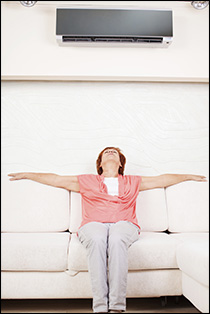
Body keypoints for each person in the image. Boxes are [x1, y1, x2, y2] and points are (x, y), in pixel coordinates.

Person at [8, 147, 207, 313]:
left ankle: (117, 307)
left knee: (117, 238)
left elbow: (162, 179)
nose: (111, 152)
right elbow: (55, 179)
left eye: (115, 152)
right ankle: (101, 307)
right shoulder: (86, 181)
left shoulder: (132, 182)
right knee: (97, 239)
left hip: (125, 224)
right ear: (100, 164)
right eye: (106, 152)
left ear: (120, 163)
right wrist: (28, 174)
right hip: (92, 224)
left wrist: (188, 175)